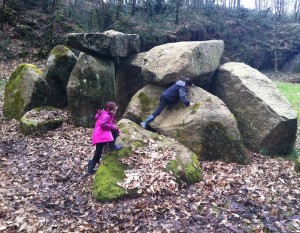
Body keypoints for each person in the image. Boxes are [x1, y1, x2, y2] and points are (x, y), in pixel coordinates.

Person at [87, 101, 122, 174]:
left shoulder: (107, 114)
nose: (115, 112)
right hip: (100, 135)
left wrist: (113, 126)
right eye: (113, 110)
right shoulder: (107, 115)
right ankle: (91, 166)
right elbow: (103, 124)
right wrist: (112, 126)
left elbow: (105, 121)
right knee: (98, 151)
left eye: (116, 110)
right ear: (108, 109)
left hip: (101, 133)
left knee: (114, 131)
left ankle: (111, 145)